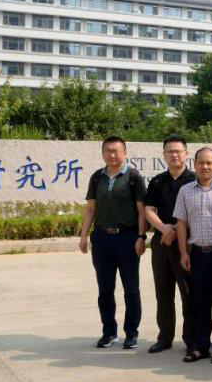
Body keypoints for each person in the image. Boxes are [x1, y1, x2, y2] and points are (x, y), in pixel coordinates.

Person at [78, 136, 147, 349]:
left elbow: (142, 211)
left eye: (116, 150)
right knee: (105, 290)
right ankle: (109, 332)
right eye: (108, 151)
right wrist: (84, 235)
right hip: (102, 239)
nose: (112, 154)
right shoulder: (97, 177)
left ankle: (131, 333)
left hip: (128, 238)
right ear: (102, 154)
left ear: (125, 153)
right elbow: (90, 208)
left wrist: (141, 237)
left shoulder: (133, 177)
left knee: (131, 289)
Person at [174, 147, 212, 364]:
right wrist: (183, 253)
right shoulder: (185, 191)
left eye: (209, 163)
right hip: (198, 254)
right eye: (201, 162)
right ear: (194, 164)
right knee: (200, 302)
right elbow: (181, 224)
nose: (205, 166)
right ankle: (201, 346)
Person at [144, 135, 197, 355]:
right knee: (163, 293)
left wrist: (175, 230)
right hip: (161, 244)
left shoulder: (194, 180)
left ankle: (191, 339)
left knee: (189, 293)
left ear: (186, 153)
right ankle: (165, 337)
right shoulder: (157, 181)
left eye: (178, 151)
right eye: (170, 151)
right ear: (164, 154)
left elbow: (199, 210)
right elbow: (148, 210)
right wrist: (164, 229)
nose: (174, 155)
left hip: (187, 244)